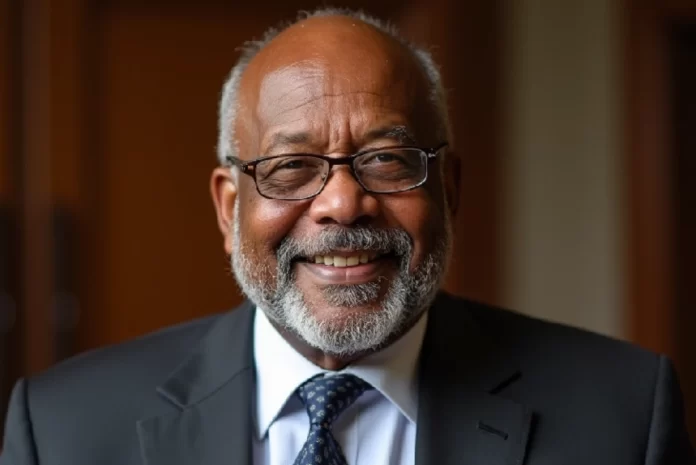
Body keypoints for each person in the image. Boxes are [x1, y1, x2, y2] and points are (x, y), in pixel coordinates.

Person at [1, 7, 694, 465]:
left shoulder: (621, 417)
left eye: (387, 160)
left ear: (447, 190)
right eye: (291, 166)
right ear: (227, 206)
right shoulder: (64, 432)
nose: (341, 202)